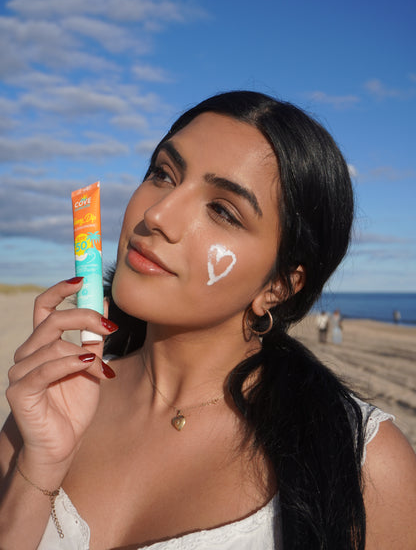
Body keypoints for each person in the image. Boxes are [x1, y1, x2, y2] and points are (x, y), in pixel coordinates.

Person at [0, 91, 415, 550]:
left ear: (280, 284)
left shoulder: (361, 462)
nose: (156, 216)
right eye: (162, 174)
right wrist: (38, 468)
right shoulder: (51, 402)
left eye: (223, 210)